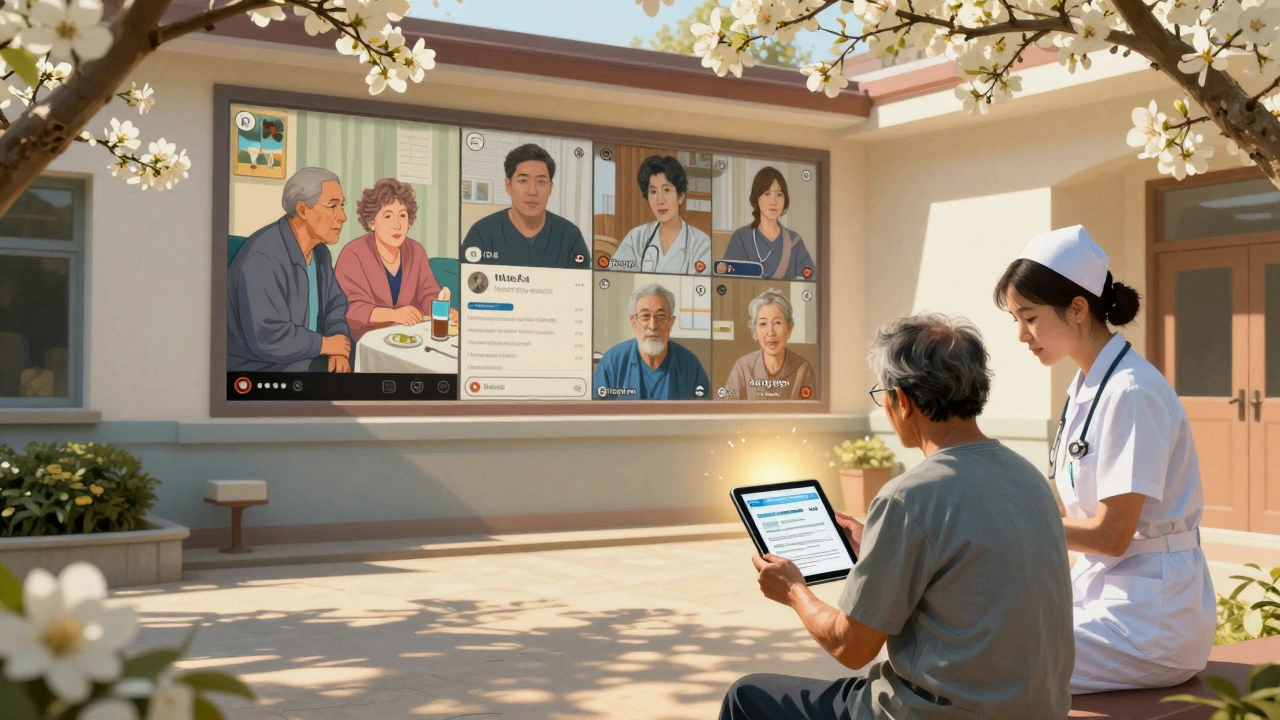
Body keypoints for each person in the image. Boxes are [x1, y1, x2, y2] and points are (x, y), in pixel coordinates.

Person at [721, 313, 1073, 720]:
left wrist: (795, 590)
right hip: (1038, 709)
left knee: (747, 696)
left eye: (882, 394)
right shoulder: (1027, 476)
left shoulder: (909, 496)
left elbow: (850, 648)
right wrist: (878, 541)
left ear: (901, 401)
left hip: (934, 714)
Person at [994, 224, 1215, 694]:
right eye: (1016, 319)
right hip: (1107, 600)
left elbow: (1111, 536)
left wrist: (1006, 521)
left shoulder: (1131, 391)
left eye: (1028, 317)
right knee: (979, 634)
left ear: (1076, 309)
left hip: (1149, 623)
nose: (1020, 335)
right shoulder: (1086, 387)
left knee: (987, 664)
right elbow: (1065, 516)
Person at [228, 167, 352, 372]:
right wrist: (325, 345)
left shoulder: (320, 253)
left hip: (307, 356)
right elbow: (267, 336)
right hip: (260, 367)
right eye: (332, 206)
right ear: (303, 209)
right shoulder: (263, 258)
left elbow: (335, 306)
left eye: (342, 206)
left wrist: (337, 345)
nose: (342, 217)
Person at [334, 178, 456, 343]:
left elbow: (428, 292)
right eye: (387, 216)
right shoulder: (353, 254)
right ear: (372, 223)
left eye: (403, 215)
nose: (397, 225)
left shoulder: (416, 251)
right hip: (365, 341)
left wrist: (439, 309)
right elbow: (349, 308)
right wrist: (394, 315)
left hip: (409, 337)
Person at [460, 143, 590, 269]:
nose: (532, 191)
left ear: (550, 187)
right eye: (523, 181)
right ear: (508, 186)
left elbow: (581, 287)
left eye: (541, 181)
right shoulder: (482, 233)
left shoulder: (569, 236)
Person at [593, 283, 710, 400]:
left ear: (671, 322)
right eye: (645, 316)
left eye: (661, 316)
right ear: (633, 322)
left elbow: (704, 413)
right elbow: (595, 412)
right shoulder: (613, 362)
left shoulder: (689, 364)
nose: (653, 326)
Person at [608, 155, 711, 275]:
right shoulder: (636, 237)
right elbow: (616, 279)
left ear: (681, 196)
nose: (660, 200)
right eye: (653, 192)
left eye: (666, 190)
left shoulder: (701, 243)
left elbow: (701, 289)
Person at [721, 167, 816, 281]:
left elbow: (809, 280)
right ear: (757, 198)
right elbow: (728, 281)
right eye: (767, 194)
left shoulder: (794, 241)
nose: (774, 202)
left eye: (779, 195)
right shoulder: (741, 238)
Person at [724, 288, 815, 400]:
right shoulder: (742, 367)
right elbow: (730, 411)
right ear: (754, 331)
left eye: (777, 322)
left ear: (789, 328)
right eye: (763, 324)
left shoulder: (803, 369)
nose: (771, 332)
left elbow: (807, 414)